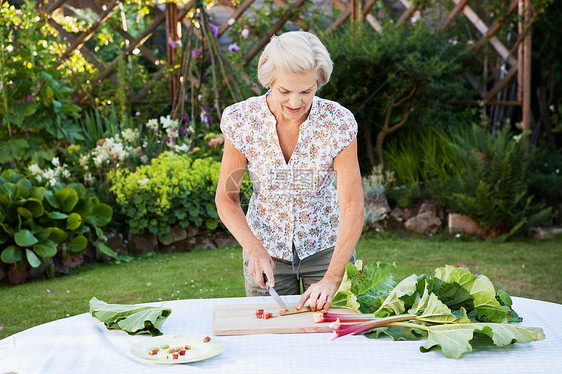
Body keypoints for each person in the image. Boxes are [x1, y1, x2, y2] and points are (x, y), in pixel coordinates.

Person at [215, 31, 364, 312]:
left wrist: (333, 279)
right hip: (265, 251)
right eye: (284, 91)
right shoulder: (242, 120)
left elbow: (353, 206)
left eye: (306, 91)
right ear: (269, 81)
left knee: (331, 341)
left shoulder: (339, 123)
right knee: (270, 340)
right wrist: (254, 250)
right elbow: (227, 199)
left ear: (318, 83)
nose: (295, 102)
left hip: (327, 251)